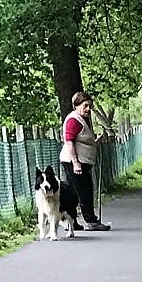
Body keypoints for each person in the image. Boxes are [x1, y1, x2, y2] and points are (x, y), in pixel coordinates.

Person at [59, 91, 109, 232]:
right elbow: (69, 142)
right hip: (74, 162)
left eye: (90, 106)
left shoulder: (81, 120)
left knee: (74, 193)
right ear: (76, 106)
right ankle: (91, 221)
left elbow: (84, 142)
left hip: (80, 162)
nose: (88, 109)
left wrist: (97, 142)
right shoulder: (73, 120)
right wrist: (75, 163)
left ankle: (70, 221)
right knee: (85, 191)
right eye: (85, 105)